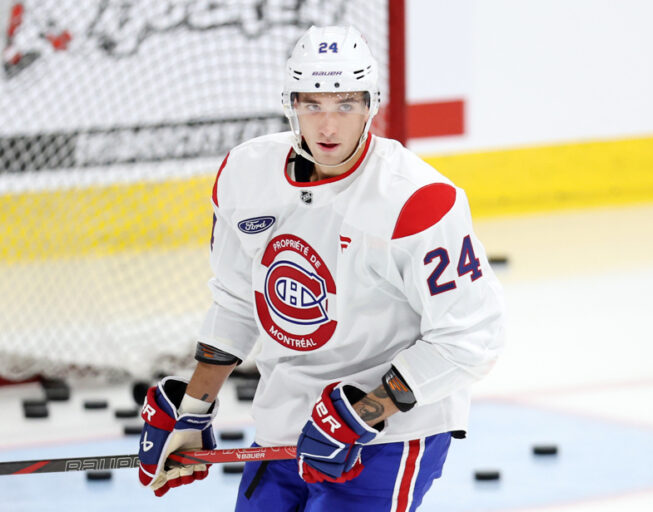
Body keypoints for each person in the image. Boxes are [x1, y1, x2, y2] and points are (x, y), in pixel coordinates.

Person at [137, 25, 506, 511]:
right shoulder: (244, 176)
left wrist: (370, 410)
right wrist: (193, 409)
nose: (328, 127)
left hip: (386, 438)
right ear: (291, 104)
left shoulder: (418, 200)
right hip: (283, 423)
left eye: (345, 105)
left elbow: (472, 338)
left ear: (371, 105)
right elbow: (235, 300)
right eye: (313, 105)